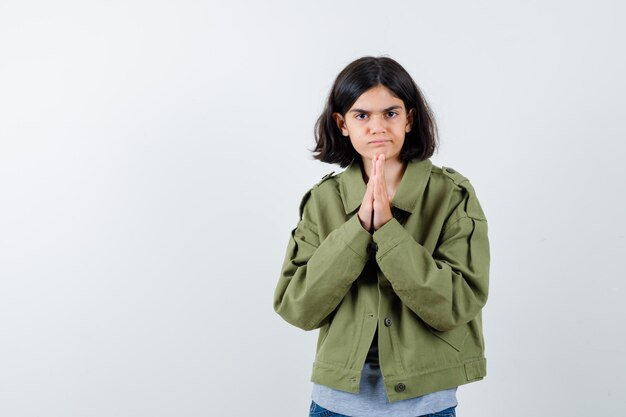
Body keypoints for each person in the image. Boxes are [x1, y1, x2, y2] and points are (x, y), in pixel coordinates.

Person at [273, 56, 490, 417]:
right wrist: (358, 228)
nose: (377, 126)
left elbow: (460, 302)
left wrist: (388, 231)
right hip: (335, 404)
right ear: (342, 124)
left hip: (427, 403)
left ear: (410, 118)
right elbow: (298, 307)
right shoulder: (322, 201)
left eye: (390, 113)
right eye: (362, 115)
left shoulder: (452, 195)